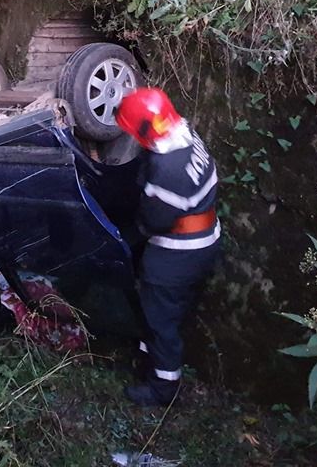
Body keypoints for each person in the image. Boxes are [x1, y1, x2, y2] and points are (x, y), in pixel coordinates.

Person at [114, 87, 221, 407]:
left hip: (178, 252)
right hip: (206, 239)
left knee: (161, 320)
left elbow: (155, 219)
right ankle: (148, 360)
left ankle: (163, 388)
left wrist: (134, 229)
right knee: (161, 310)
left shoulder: (168, 168)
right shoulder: (184, 134)